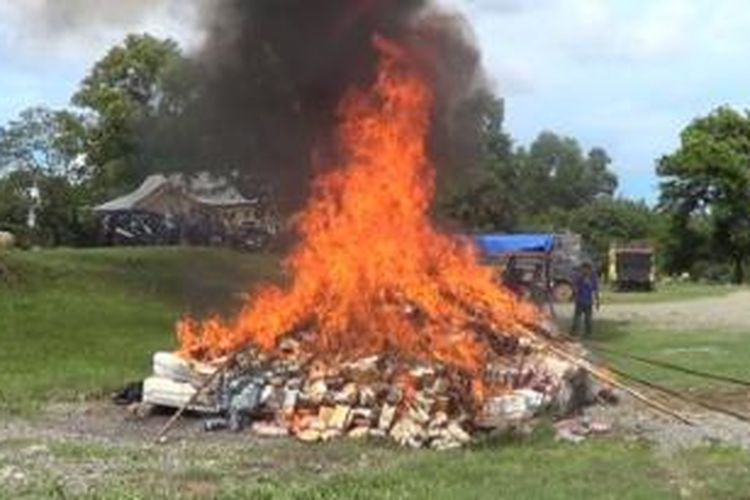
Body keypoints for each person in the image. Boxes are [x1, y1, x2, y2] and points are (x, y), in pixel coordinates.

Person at [570, 262, 600, 338]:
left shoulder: (592, 277)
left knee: (587, 318)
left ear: (589, 269)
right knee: (578, 317)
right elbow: (575, 288)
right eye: (583, 269)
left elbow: (595, 290)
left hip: (587, 301)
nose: (583, 270)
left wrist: (597, 301)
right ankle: (574, 332)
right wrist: (575, 294)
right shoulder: (580, 277)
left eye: (584, 269)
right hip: (580, 300)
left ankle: (587, 333)